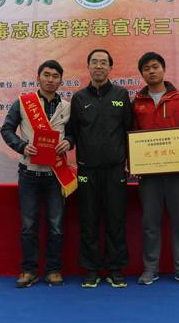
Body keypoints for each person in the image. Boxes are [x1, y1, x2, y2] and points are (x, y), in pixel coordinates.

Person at [0, 60, 72, 288]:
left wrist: (69, 142)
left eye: (55, 76)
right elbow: (6, 129)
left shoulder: (68, 106)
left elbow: (75, 133)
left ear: (61, 80)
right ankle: (29, 270)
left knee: (56, 226)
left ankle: (53, 270)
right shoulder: (24, 103)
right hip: (29, 173)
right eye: (46, 75)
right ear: (38, 77)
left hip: (55, 175)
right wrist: (22, 146)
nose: (50, 79)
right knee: (28, 226)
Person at [67, 49, 133, 288]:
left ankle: (115, 269)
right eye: (94, 62)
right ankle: (91, 269)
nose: (98, 66)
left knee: (116, 220)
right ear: (88, 67)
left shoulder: (121, 95)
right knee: (89, 221)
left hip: (115, 170)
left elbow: (129, 131)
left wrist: (132, 163)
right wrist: (66, 142)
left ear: (110, 68)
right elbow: (72, 133)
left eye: (103, 62)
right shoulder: (79, 98)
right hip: (87, 171)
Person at [132, 52, 179, 285]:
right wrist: (134, 163)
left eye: (155, 66)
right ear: (142, 74)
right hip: (148, 174)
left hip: (177, 172)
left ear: (163, 69)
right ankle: (150, 269)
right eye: (146, 68)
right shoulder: (137, 102)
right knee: (150, 223)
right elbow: (131, 134)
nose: (151, 71)